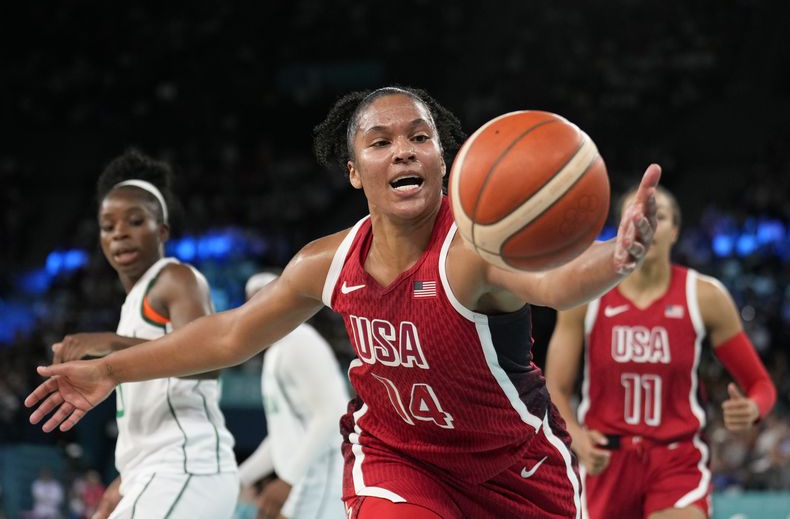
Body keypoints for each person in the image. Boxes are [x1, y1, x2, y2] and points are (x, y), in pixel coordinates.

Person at [27, 86, 660, 519]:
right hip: (400, 459)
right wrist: (109, 370)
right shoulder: (325, 261)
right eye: (380, 142)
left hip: (516, 471)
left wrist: (617, 256)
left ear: (444, 160)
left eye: (420, 137)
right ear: (355, 170)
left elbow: (553, 283)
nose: (403, 149)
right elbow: (227, 337)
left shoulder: (468, 251)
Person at [544, 185, 777, 519]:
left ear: (676, 231)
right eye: (637, 217)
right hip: (606, 462)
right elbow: (556, 389)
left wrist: (752, 407)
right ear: (622, 231)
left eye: (660, 216)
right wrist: (577, 438)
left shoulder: (705, 296)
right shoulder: (588, 294)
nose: (649, 225)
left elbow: (760, 384)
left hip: (676, 459)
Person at [47, 150, 239, 518]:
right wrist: (125, 480)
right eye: (108, 225)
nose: (119, 232)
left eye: (135, 221)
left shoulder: (174, 277)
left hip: (185, 467)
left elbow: (209, 360)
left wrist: (111, 347)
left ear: (162, 231)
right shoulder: (132, 305)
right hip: (152, 474)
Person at [238, 271, 349, 519]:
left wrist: (288, 479)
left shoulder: (300, 340)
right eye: (251, 301)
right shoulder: (276, 350)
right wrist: (241, 477)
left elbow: (333, 414)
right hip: (303, 479)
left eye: (265, 298)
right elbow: (281, 437)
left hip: (322, 475)